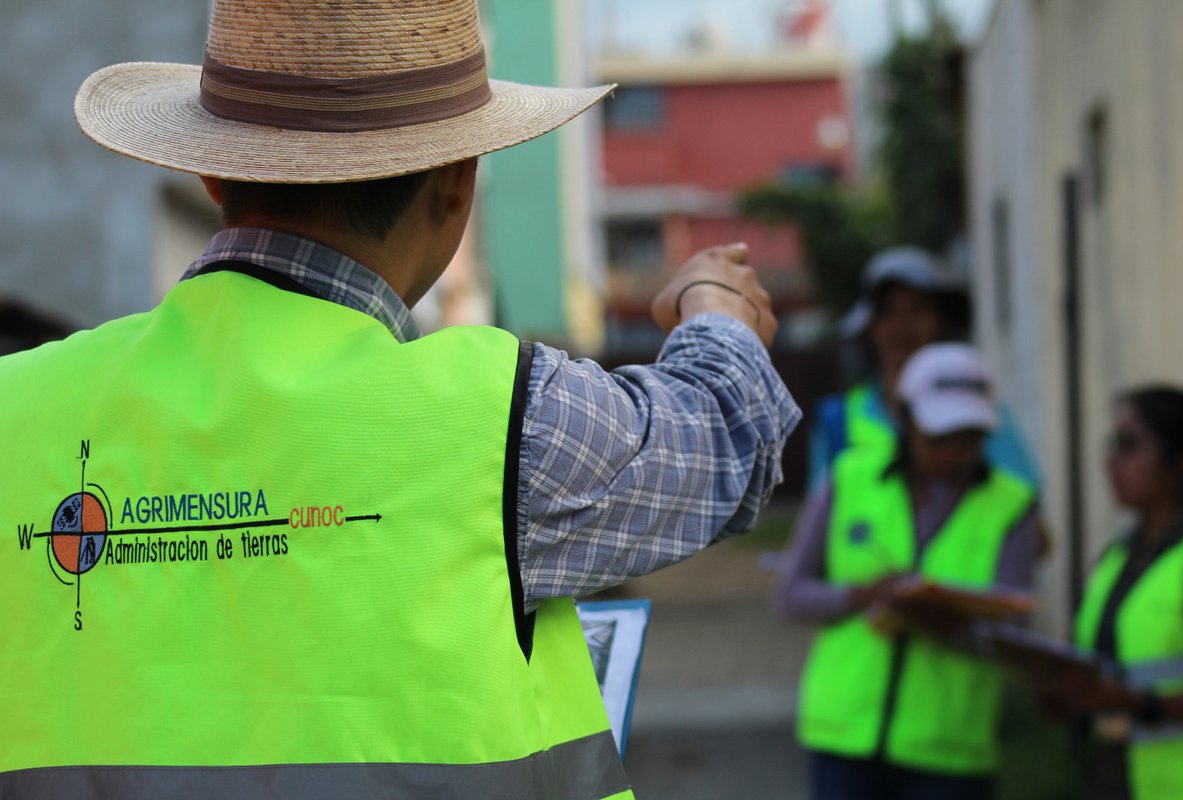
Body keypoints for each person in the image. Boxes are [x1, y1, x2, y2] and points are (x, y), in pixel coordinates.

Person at [0, 2, 800, 798]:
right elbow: (723, 435)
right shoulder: (502, 419)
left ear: (211, 170)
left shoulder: (18, 410)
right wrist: (715, 309)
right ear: (457, 187)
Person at [774, 343, 1040, 800]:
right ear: (906, 418)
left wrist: (940, 619)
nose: (954, 451)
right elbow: (790, 595)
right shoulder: (850, 477)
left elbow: (1014, 630)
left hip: (949, 748)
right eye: (940, 435)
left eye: (969, 436)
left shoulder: (1012, 503)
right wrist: (864, 597)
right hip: (842, 733)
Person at [1062, 385, 1183, 799]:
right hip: (1112, 779)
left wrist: (1146, 704)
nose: (1110, 462)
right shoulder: (1116, 557)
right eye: (1111, 445)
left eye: (1128, 446)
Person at [808, 245, 1039, 488]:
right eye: (888, 312)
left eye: (916, 310)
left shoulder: (976, 408)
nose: (902, 327)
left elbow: (1022, 499)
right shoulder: (838, 420)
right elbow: (822, 512)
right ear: (870, 328)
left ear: (942, 322)